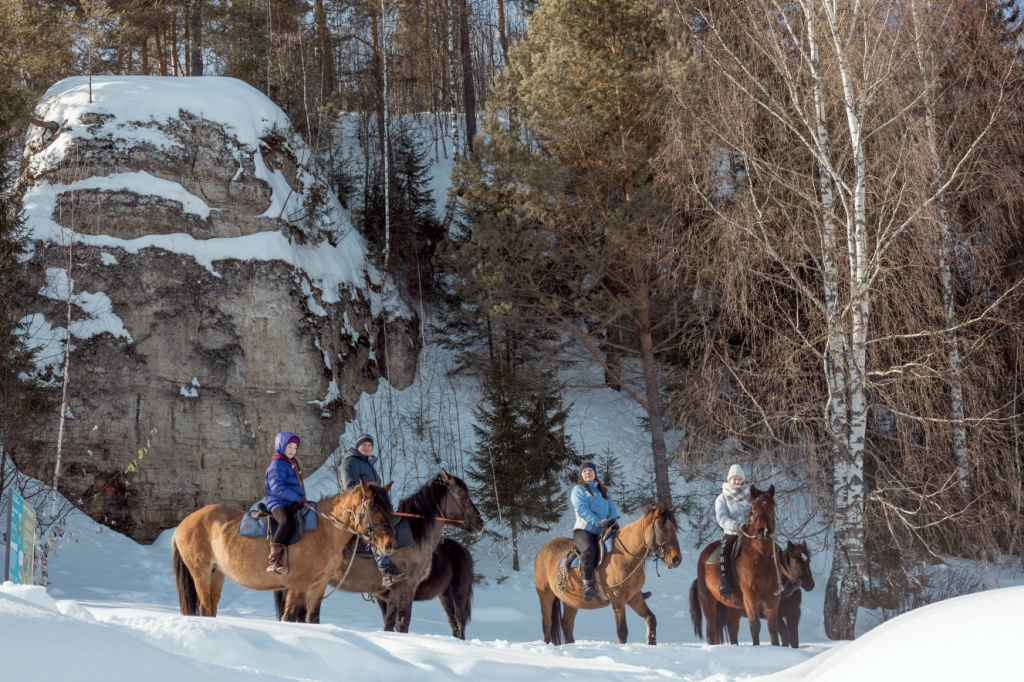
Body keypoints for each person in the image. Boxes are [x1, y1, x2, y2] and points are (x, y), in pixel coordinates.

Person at [338, 433, 406, 587]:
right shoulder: (350, 462)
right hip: (358, 505)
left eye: (370, 445)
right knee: (376, 529)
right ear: (358, 446)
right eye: (364, 445)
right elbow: (350, 487)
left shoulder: (368, 463)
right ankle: (385, 569)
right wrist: (370, 495)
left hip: (371, 503)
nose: (367, 447)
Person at [571, 460, 618, 601]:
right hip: (585, 530)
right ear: (581, 475)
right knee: (589, 549)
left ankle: (631, 587)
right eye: (584, 471)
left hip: (604, 530)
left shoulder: (604, 491)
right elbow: (582, 510)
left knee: (621, 549)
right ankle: (587, 584)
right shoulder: (579, 490)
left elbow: (612, 508)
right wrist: (598, 522)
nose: (587, 473)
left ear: (595, 473)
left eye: (590, 470)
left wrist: (612, 520)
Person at [265, 431, 307, 574]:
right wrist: (297, 498)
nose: (292, 450)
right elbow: (277, 488)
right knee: (286, 521)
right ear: (281, 445)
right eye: (289, 446)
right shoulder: (277, 464)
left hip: (290, 502)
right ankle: (274, 561)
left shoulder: (291, 464)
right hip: (277, 502)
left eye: (295, 448)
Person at [715, 463, 751, 600]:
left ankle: (782, 578)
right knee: (726, 551)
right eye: (734, 479)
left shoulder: (750, 496)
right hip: (732, 532)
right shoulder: (722, 498)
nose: (737, 481)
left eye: (739, 479)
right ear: (729, 480)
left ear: (743, 480)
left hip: (749, 532)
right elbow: (722, 518)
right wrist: (737, 526)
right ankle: (725, 583)